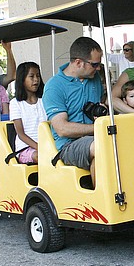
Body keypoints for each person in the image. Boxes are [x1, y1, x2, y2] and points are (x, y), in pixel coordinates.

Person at [42, 37, 104, 186]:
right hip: (69, 145)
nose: (98, 68)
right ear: (78, 62)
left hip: (94, 139)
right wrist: (98, 128)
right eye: (95, 64)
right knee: (103, 146)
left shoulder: (94, 79)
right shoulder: (54, 86)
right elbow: (62, 129)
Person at [9, 61, 47, 165]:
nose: (36, 80)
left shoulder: (44, 100)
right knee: (40, 156)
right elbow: (21, 134)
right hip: (26, 148)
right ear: (22, 79)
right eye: (31, 76)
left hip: (47, 145)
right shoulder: (15, 103)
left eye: (38, 76)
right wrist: (40, 147)